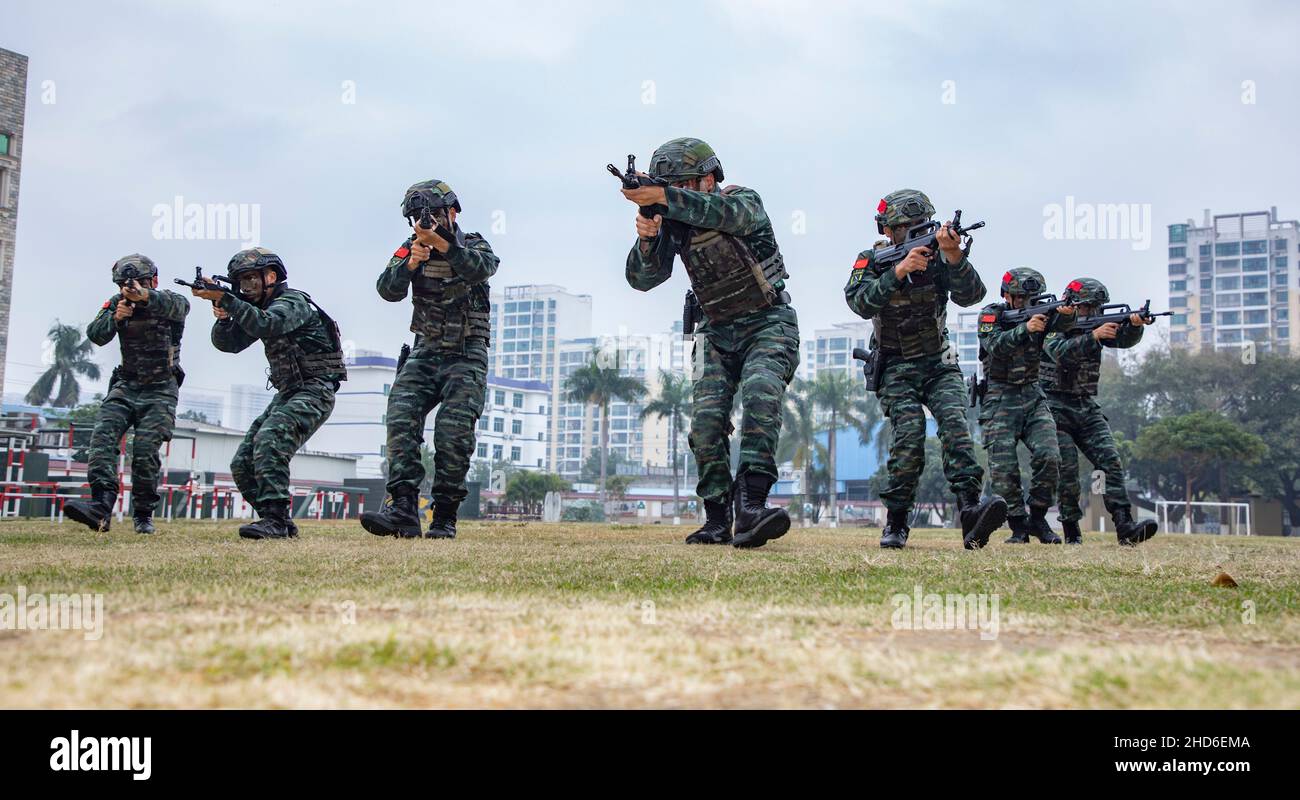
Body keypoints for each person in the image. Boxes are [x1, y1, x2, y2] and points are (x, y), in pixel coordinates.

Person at [623, 137, 798, 548]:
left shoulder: (742, 202)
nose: (677, 194)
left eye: (682, 184)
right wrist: (649, 238)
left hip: (768, 322)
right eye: (670, 186)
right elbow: (642, 279)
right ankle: (717, 518)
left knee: (760, 394)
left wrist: (664, 197)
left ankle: (752, 505)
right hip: (715, 330)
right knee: (705, 424)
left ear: (707, 178)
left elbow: (721, 215)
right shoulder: (674, 222)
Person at [844, 189, 1006, 549]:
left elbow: (972, 296)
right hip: (894, 365)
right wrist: (898, 272)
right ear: (889, 231)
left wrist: (953, 257)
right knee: (910, 437)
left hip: (938, 363)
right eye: (907, 227)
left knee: (957, 429)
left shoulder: (940, 257)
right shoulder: (872, 258)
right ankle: (897, 521)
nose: (917, 232)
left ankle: (971, 513)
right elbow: (858, 301)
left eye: (922, 226)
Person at [360, 180, 498, 539]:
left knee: (453, 434)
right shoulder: (410, 248)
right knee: (400, 418)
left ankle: (444, 516)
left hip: (466, 355)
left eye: (436, 214)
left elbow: (482, 268)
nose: (427, 222)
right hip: (425, 351)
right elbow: (386, 290)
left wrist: (443, 245)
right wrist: (408, 266)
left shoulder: (473, 243)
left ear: (452, 213)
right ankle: (403, 508)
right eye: (420, 218)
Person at [191, 247, 346, 539]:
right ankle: (279, 522)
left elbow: (269, 324)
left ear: (271, 277)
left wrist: (225, 298)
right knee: (242, 463)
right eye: (240, 283)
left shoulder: (293, 302)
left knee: (270, 439)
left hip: (314, 390)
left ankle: (275, 520)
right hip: (289, 392)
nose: (245, 288)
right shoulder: (256, 309)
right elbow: (230, 344)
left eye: (251, 280)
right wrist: (224, 316)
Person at [64, 254, 189, 533]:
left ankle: (143, 513)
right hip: (126, 384)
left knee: (144, 451)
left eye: (142, 282)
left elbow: (181, 307)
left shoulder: (168, 301)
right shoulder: (116, 304)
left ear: (153, 281)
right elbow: (96, 334)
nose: (132, 288)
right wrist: (116, 318)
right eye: (126, 284)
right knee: (101, 440)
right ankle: (101, 506)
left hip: (160, 388)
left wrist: (144, 296)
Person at [1041, 278, 1158, 545]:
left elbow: (1122, 340)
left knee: (1110, 460)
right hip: (1053, 406)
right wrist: (1093, 336)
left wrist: (1136, 326)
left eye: (1097, 308)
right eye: (1087, 308)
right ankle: (1071, 530)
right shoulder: (1051, 323)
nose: (1092, 313)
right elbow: (1059, 352)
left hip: (1085, 405)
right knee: (1067, 470)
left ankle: (1125, 525)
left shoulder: (1094, 324)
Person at [976, 268, 1074, 544]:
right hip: (999, 395)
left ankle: (1039, 518)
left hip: (1032, 395)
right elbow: (993, 344)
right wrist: (1024, 329)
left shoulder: (1044, 313)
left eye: (1031, 298)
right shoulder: (991, 315)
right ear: (1006, 295)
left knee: (1050, 455)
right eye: (1019, 297)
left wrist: (1069, 315)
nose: (1025, 303)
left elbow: (1066, 326)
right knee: (1003, 465)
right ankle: (1018, 525)